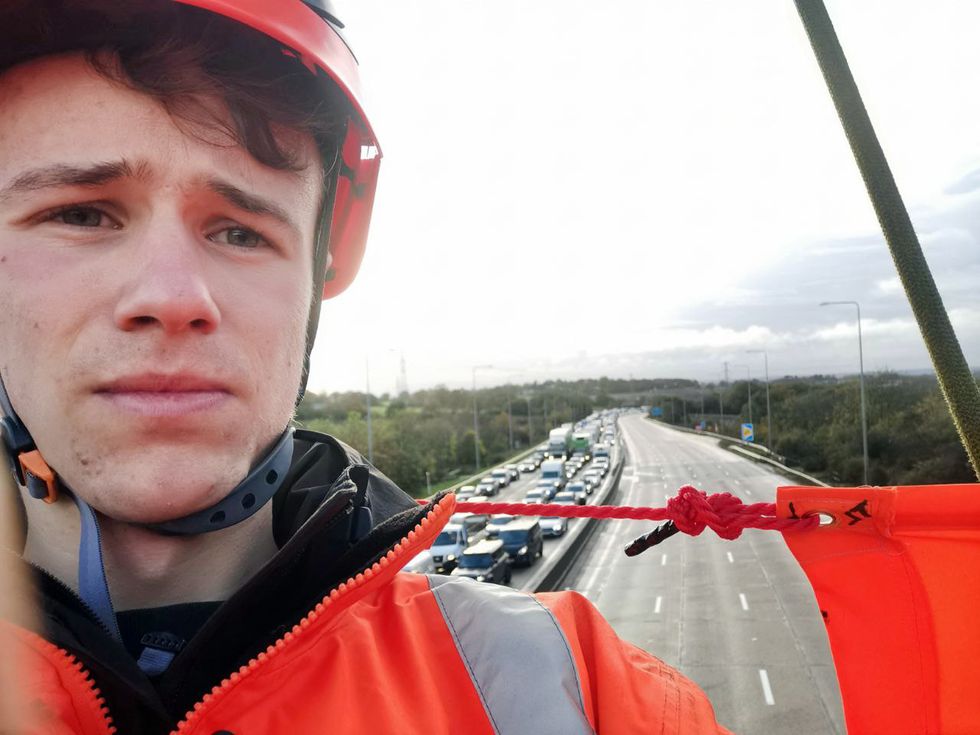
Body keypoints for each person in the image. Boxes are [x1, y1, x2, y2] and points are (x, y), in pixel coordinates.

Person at [0, 2, 730, 733]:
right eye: (82, 214)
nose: (172, 296)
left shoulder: (575, 693)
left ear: (317, 280)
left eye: (238, 230)